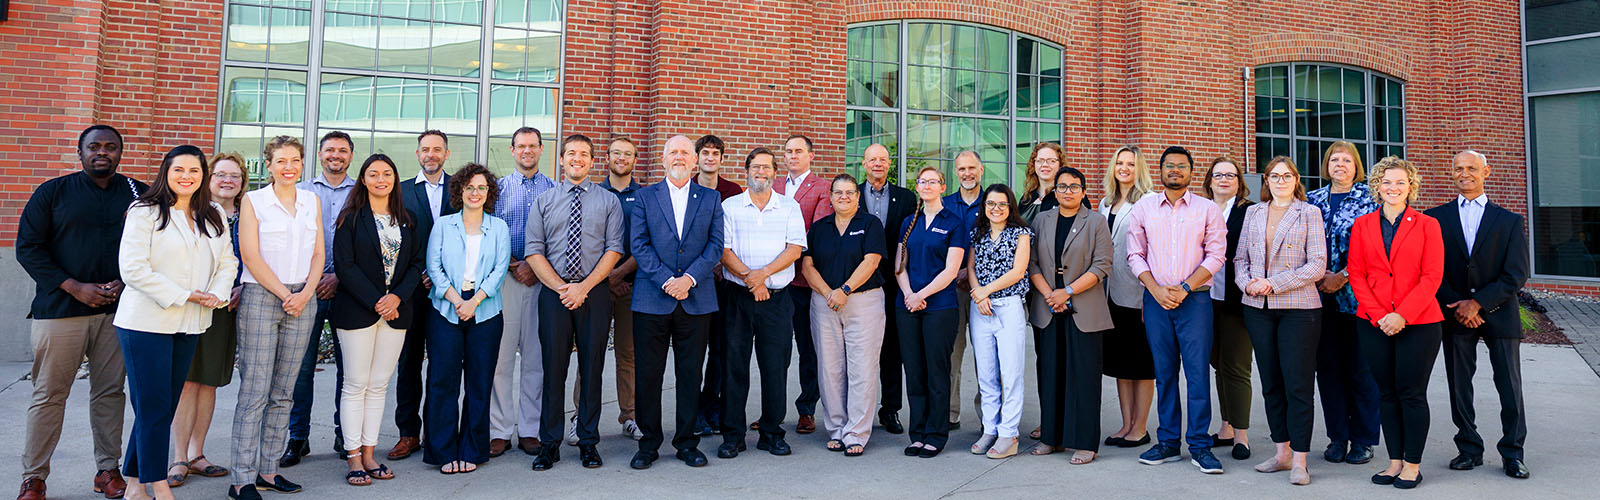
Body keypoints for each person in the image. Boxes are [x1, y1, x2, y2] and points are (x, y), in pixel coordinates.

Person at [15, 124, 144, 500]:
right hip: (60, 311)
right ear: (80, 151)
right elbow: (29, 248)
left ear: (121, 152)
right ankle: (34, 478)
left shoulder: (138, 193)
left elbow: (149, 247)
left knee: (109, 393)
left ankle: (107, 470)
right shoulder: (52, 193)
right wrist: (74, 286)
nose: (102, 152)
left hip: (119, 312)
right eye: (94, 146)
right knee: (49, 395)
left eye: (111, 147)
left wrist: (124, 281)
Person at [114, 145, 237, 500]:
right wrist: (187, 294)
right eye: (179, 170)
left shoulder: (212, 212)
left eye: (194, 171)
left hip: (192, 322)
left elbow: (227, 262)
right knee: (153, 407)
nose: (186, 177)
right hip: (146, 323)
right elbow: (134, 269)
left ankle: (135, 487)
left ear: (203, 176)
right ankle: (159, 485)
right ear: (166, 172)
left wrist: (216, 293)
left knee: (161, 408)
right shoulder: (145, 211)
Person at [1425, 151, 1531, 479]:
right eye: (1458, 168)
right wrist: (1459, 305)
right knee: (1459, 385)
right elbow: (1430, 269)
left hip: (1499, 314)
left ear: (1486, 171)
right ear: (1452, 173)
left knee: (1509, 386)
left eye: (1471, 168)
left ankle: (1512, 453)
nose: (1464, 173)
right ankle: (1468, 448)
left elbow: (1516, 273)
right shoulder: (1434, 218)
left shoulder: (1509, 220)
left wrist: (1479, 304)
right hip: (1455, 313)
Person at [230, 135, 325, 500]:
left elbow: (319, 253)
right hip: (262, 298)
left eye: (296, 160)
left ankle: (268, 470)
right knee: (255, 391)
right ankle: (241, 479)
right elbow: (250, 256)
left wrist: (304, 294)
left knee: (284, 391)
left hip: (303, 297)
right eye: (281, 160)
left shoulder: (310, 201)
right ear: (268, 165)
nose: (289, 167)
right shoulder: (254, 200)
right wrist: (286, 295)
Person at [1126, 145, 1228, 474]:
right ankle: (1168, 442)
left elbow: (1215, 256)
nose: (1175, 171)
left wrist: (1183, 288)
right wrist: (1156, 290)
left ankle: (1199, 445)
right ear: (1160, 170)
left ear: (1191, 171)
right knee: (1164, 374)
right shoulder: (1144, 207)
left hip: (1194, 301)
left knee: (1197, 375)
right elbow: (1134, 254)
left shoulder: (1207, 209)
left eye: (1181, 166)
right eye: (1169, 166)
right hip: (1156, 301)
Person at [526, 134, 624, 471]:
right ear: (562, 159)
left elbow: (614, 249)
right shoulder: (544, 200)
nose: (577, 159)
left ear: (592, 161)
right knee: (553, 370)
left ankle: (588, 441)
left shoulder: (609, 201)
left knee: (592, 369)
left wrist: (583, 287)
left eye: (583, 154)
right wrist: (562, 288)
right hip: (554, 295)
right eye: (571, 154)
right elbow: (534, 251)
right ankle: (549, 443)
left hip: (594, 292)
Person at [627, 135, 725, 470]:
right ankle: (649, 443)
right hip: (652, 298)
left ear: (695, 161)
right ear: (663, 159)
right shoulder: (644, 197)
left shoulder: (711, 199)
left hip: (696, 299)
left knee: (689, 374)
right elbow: (638, 245)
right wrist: (668, 281)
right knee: (649, 375)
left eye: (685, 152)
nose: (679, 157)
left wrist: (690, 279)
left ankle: (686, 442)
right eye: (673, 152)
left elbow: (715, 245)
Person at [1348, 156, 1445, 489]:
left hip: (1418, 322)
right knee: (1386, 394)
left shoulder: (1428, 225)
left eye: (1400, 182)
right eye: (1386, 182)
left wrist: (1402, 315)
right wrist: (1379, 315)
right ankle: (1393, 462)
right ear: (1377, 186)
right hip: (1373, 322)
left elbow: (1432, 276)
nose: (1393, 188)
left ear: (1411, 187)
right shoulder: (1362, 225)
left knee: (1411, 393)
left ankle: (1412, 465)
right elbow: (1357, 274)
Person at [330, 154, 425, 485]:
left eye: (387, 173)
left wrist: (396, 297)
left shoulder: (408, 219)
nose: (381, 179)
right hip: (357, 311)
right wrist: (377, 301)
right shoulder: (350, 219)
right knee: (356, 384)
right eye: (374, 174)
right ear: (364, 180)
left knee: (379, 385)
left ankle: (370, 455)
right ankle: (353, 457)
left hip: (397, 312)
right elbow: (345, 266)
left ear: (395, 179)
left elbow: (416, 264)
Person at [1234, 156, 1328, 485]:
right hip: (1257, 307)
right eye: (1274, 176)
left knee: (1298, 385)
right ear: (1266, 181)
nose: (1280, 181)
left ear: (1296, 179)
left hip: (1299, 308)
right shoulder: (1254, 213)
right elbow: (1240, 258)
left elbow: (1317, 264)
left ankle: (1301, 460)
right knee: (1271, 382)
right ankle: (1281, 453)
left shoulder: (1309, 212)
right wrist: (1246, 283)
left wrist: (1273, 284)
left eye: (1286, 176)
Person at [717, 147, 807, 459]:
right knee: (733, 368)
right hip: (737, 299)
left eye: (767, 167)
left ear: (774, 172)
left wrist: (762, 276)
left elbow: (795, 249)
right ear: (746, 171)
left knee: (775, 368)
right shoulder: (730, 206)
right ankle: (732, 436)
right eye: (756, 167)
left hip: (777, 301)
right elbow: (724, 250)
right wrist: (751, 280)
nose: (761, 172)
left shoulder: (789, 206)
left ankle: (772, 433)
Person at [422, 163, 510, 475]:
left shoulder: (498, 227)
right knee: (442, 381)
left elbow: (500, 270)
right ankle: (442, 451)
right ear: (460, 191)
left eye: (481, 188)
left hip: (485, 311)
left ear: (489, 193)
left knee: (479, 382)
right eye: (469, 187)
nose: (475, 193)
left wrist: (474, 302)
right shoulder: (444, 225)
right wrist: (458, 301)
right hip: (446, 310)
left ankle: (472, 448)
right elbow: (434, 267)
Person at [1026, 166, 1113, 465]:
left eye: (1074, 187)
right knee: (1050, 374)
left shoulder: (1096, 222)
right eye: (1062, 187)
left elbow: (1102, 266)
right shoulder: (1041, 219)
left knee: (1084, 377)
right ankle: (1052, 437)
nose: (1067, 192)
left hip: (1084, 308)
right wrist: (1051, 294)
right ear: (1055, 191)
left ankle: (1085, 442)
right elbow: (1031, 263)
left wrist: (1068, 291)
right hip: (1047, 308)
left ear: (1084, 192)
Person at [170, 152, 247, 487]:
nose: (227, 180)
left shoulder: (249, 216)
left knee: (209, 381)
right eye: (220, 174)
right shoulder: (190, 212)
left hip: (227, 309)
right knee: (187, 380)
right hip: (192, 304)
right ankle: (179, 458)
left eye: (234, 175)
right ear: (208, 177)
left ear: (242, 182)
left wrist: (242, 287)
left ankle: (198, 454)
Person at [283, 131, 356, 467]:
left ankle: (346, 435)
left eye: (342, 151)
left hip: (348, 290)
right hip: (305, 290)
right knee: (301, 369)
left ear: (350, 156)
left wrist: (339, 275)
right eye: (330, 150)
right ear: (320, 154)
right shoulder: (301, 191)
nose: (335, 155)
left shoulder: (362, 191)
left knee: (348, 369)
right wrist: (312, 282)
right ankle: (298, 438)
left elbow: (366, 243)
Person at [1306, 141, 1381, 465]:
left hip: (1359, 299)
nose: (1340, 164)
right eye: (1334, 159)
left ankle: (1363, 439)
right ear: (1327, 165)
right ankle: (1338, 437)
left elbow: (1377, 248)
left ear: (1356, 166)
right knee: (1329, 371)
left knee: (1361, 371)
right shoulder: (1311, 200)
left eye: (1347, 160)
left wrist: (1344, 276)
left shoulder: (1370, 199)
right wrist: (1320, 274)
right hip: (1318, 298)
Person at [802, 173, 888, 456]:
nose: (844, 197)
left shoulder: (870, 224)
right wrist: (829, 292)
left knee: (861, 369)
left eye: (850, 192)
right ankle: (837, 429)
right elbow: (807, 265)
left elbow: (872, 260)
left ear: (858, 196)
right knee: (829, 369)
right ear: (830, 196)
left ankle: (856, 433)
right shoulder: (819, 228)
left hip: (863, 302)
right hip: (824, 303)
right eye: (838, 192)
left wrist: (846, 289)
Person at [392, 130, 461, 461]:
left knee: (443, 364)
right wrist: (418, 274)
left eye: (437, 149)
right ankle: (408, 433)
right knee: (408, 363)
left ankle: (439, 433)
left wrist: (442, 276)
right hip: (412, 290)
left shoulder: (460, 190)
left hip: (449, 291)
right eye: (425, 149)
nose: (430, 154)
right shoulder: (401, 191)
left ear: (447, 153)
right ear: (417, 153)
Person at [895, 166, 968, 458]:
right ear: (917, 186)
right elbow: (899, 265)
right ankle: (918, 433)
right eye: (922, 181)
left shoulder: (955, 222)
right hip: (908, 306)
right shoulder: (908, 222)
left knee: (937, 372)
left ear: (942, 186)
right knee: (914, 372)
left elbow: (952, 270)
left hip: (940, 307)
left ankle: (936, 435)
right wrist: (909, 295)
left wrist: (921, 295)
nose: (927, 185)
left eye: (933, 181)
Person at [496, 127, 558, 456]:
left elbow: (560, 237)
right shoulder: (497, 189)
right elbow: (489, 233)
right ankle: (499, 430)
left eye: (532, 146)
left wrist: (534, 267)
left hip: (541, 282)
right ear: (512, 150)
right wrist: (513, 264)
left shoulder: (555, 189)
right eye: (521, 146)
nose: (527, 151)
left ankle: (530, 429)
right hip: (504, 280)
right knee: (501, 358)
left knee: (535, 358)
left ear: (541, 149)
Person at [964, 185, 1034, 459]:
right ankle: (990, 429)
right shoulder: (977, 233)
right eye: (991, 203)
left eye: (1002, 204)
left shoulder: (1021, 233)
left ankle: (1009, 434)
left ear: (1010, 207)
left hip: (1008, 306)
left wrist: (986, 291)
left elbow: (1019, 271)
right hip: (980, 307)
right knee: (986, 373)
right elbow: (970, 267)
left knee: (1011, 373)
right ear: (984, 206)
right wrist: (978, 295)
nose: (996, 208)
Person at [770, 134, 833, 435]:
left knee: (808, 349)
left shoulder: (822, 188)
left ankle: (806, 409)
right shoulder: (774, 185)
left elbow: (816, 231)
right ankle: (774, 410)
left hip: (805, 281)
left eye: (798, 151)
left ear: (811, 155)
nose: (792, 156)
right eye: (788, 151)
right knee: (777, 349)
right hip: (777, 280)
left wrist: (785, 250)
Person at [1097, 145, 1156, 448]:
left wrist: (1150, 293)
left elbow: (1154, 250)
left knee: (1142, 363)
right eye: (1120, 163)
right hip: (1111, 295)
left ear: (1139, 168)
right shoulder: (1105, 203)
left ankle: (1141, 427)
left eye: (1131, 164)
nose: (1124, 168)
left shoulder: (1148, 202)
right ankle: (1126, 424)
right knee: (1121, 363)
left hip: (1139, 293)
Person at [858, 145, 915, 435]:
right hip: (859, 284)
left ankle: (890, 409)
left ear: (889, 164)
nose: (877, 164)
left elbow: (910, 238)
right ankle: (857, 409)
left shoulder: (905, 197)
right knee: (861, 349)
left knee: (892, 349)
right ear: (864, 164)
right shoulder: (851, 194)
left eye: (882, 159)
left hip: (894, 282)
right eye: (872, 160)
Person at [1202, 156, 1255, 460]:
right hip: (1206, 300)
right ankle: (1225, 427)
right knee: (1217, 362)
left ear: (1239, 182)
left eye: (1231, 175)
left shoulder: (1248, 212)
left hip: (1236, 301)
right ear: (1209, 180)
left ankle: (1242, 436)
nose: (1224, 180)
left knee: (1235, 365)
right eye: (1218, 175)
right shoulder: (1201, 210)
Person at [691, 134, 742, 438]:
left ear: (723, 159)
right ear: (697, 157)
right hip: (695, 281)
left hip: (725, 282)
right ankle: (694, 411)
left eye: (715, 153)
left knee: (721, 350)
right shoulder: (687, 188)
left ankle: (712, 407)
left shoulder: (732, 192)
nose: (710, 158)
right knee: (694, 350)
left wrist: (725, 266)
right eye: (705, 153)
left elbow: (735, 234)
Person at [598, 137, 646, 441]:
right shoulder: (594, 193)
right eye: (616, 153)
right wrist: (605, 277)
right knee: (592, 353)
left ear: (634, 160)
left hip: (632, 285)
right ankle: (582, 416)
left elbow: (646, 241)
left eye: (627, 154)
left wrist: (620, 274)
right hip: (597, 287)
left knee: (628, 354)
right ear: (606, 158)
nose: (621, 158)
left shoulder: (644, 196)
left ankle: (630, 415)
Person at [942, 151, 984, 431]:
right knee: (951, 354)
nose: (967, 173)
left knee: (986, 356)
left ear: (981, 169)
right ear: (955, 172)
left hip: (985, 290)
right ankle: (949, 413)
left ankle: (989, 416)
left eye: (972, 168)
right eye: (961, 169)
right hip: (952, 290)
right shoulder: (944, 204)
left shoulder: (995, 201)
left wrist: (972, 273)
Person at [1018, 143, 1063, 221]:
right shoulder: (1027, 198)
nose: (1045, 165)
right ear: (1034, 164)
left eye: (1051, 161)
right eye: (1040, 161)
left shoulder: (1069, 196)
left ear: (1060, 165)